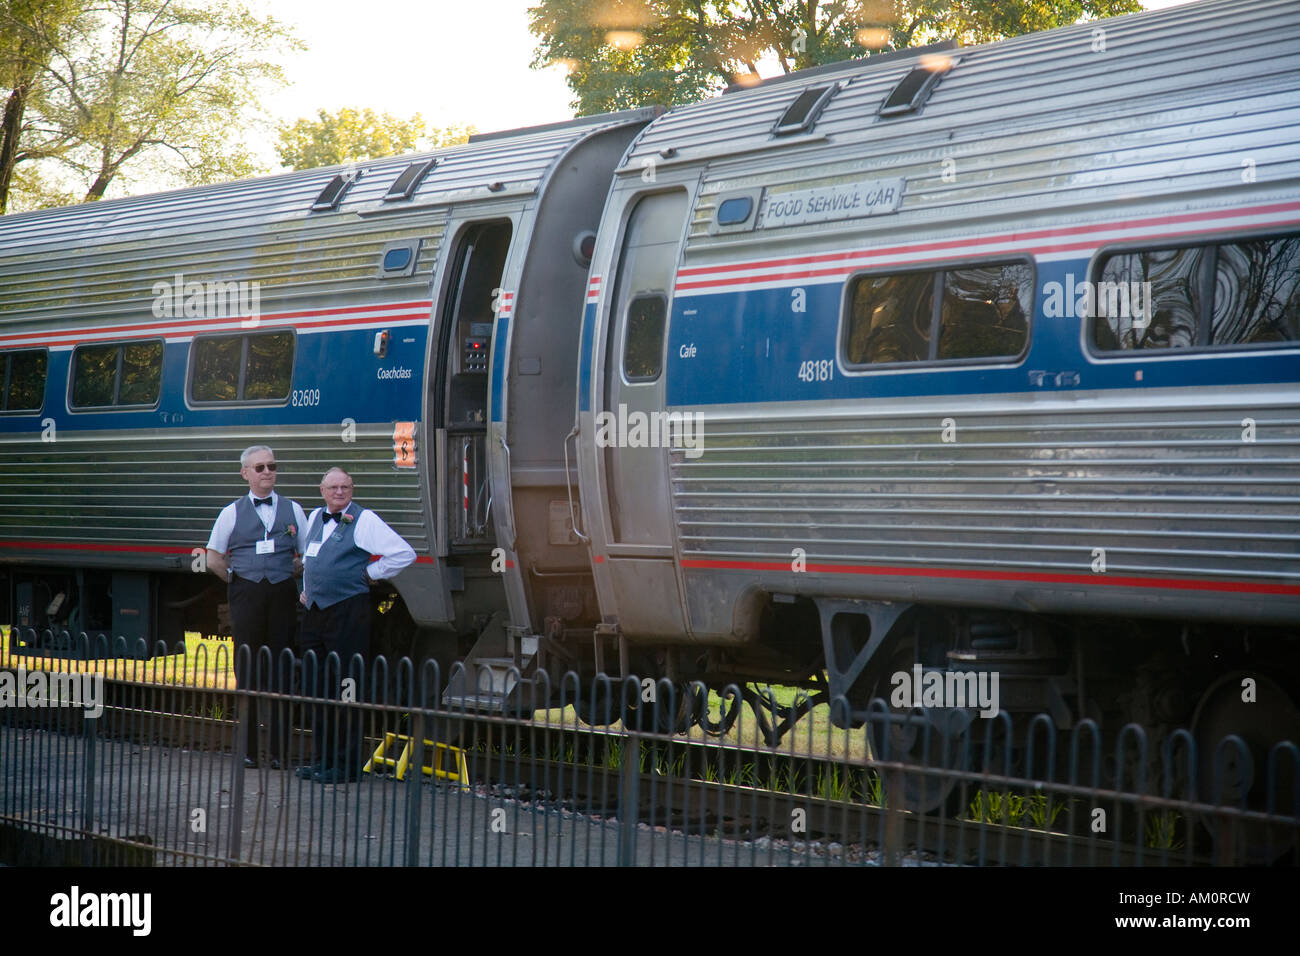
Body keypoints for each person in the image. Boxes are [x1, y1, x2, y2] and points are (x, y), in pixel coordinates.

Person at [296, 467, 415, 783]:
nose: (339, 492)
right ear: (322, 490)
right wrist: (307, 589)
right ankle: (322, 760)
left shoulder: (365, 520)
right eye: (333, 487)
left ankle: (347, 766)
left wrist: (370, 574)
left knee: (346, 687)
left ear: (352, 489)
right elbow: (309, 559)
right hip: (315, 612)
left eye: (345, 487)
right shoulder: (314, 517)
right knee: (317, 688)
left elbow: (404, 553)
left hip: (348, 612)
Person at [205, 445, 308, 770]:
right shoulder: (231, 512)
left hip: (281, 594)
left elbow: (306, 553)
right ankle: (248, 751)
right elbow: (213, 558)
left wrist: (291, 572)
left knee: (281, 670)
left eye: (272, 466)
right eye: (260, 467)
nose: (267, 472)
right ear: (245, 473)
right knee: (247, 669)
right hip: (246, 594)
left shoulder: (294, 509)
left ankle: (279, 752)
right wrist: (238, 580)